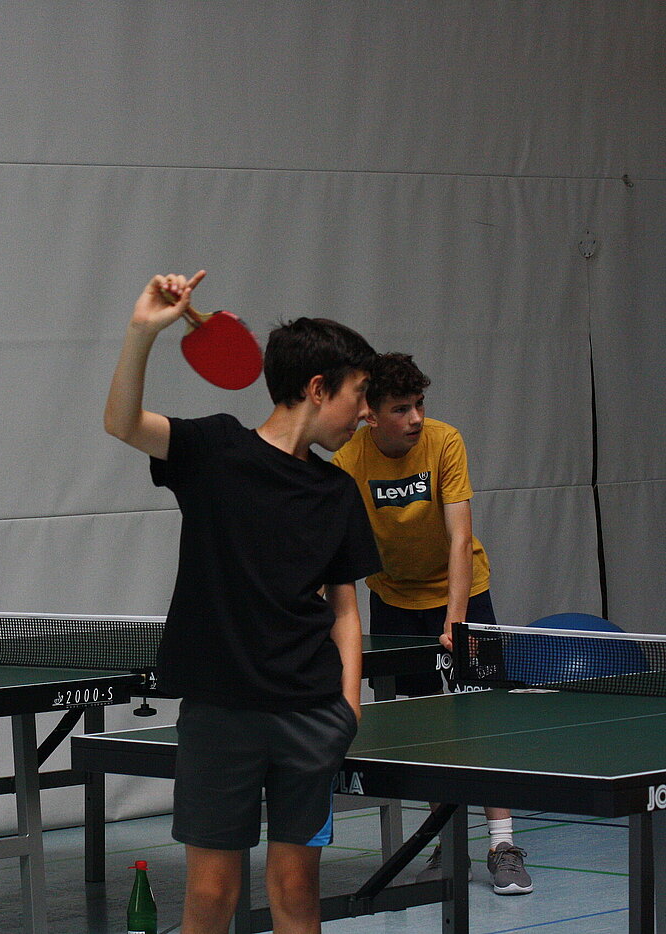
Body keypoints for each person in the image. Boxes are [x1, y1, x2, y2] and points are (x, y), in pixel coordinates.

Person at [105, 270, 382, 934]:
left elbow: (345, 608)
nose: (367, 413)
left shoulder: (337, 492)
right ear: (318, 388)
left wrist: (347, 706)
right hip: (220, 712)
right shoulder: (214, 450)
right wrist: (143, 331)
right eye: (360, 395)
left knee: (296, 888)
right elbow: (121, 423)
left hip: (310, 714)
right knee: (210, 893)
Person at [332, 351, 531, 896]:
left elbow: (460, 537)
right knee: (423, 729)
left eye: (419, 404)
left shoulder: (445, 442)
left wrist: (456, 620)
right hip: (394, 601)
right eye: (401, 409)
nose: (416, 417)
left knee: (481, 719)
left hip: (464, 594)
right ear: (371, 414)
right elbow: (337, 553)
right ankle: (447, 840)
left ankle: (502, 844)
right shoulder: (348, 460)